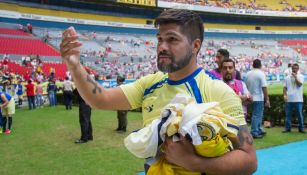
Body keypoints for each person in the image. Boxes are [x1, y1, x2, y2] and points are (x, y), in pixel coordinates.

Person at [60, 9, 257, 174]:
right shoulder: (149, 84)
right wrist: (75, 66)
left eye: (172, 39)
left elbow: (249, 160)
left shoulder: (218, 91)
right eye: (159, 39)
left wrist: (193, 162)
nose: (162, 47)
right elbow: (100, 99)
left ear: (195, 45)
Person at [246, 59, 270, 139]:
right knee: (257, 115)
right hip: (258, 97)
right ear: (260, 65)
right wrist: (267, 99)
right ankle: (254, 132)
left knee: (256, 115)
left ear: (253, 65)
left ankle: (258, 129)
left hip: (250, 97)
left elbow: (246, 86)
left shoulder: (248, 73)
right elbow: (264, 87)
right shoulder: (261, 73)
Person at [282, 63, 305, 133]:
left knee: (299, 115)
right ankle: (287, 128)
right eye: (293, 68)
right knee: (288, 115)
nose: (294, 69)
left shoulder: (301, 76)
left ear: (298, 69)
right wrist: (285, 95)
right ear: (291, 69)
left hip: (298, 99)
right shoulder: (287, 77)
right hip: (289, 99)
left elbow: (299, 84)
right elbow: (284, 88)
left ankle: (301, 128)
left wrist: (295, 77)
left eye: (296, 68)